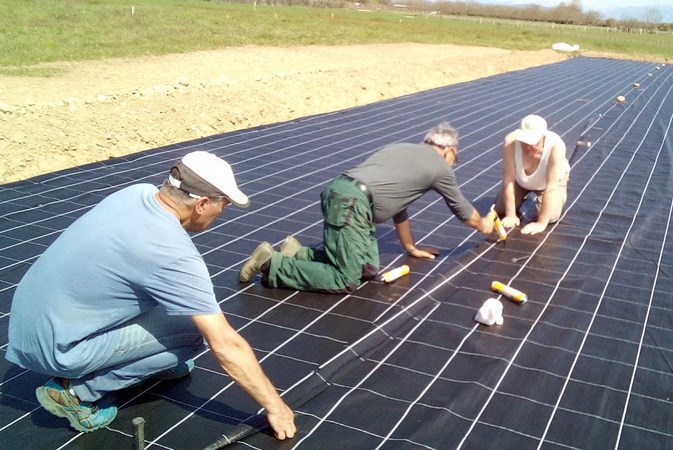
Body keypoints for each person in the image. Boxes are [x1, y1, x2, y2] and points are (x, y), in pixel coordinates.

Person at [6, 151, 296, 439]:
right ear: (203, 203)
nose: (223, 211)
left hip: (28, 323)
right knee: (193, 331)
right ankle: (75, 392)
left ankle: (147, 360)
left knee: (170, 301)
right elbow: (225, 345)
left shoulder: (136, 193)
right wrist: (275, 406)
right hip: (56, 349)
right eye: (225, 204)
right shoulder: (172, 254)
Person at [238, 122, 494, 293]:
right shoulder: (439, 166)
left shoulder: (402, 148)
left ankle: (298, 253)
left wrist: (410, 248)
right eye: (455, 159)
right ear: (450, 150)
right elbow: (462, 209)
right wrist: (484, 225)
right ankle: (272, 264)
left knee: (368, 269)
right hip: (352, 203)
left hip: (344, 194)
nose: (453, 165)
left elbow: (399, 208)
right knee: (346, 280)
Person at [493, 114, 570, 236]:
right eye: (524, 140)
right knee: (501, 208)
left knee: (550, 217)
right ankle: (521, 195)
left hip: (547, 184)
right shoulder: (511, 142)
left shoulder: (556, 146)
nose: (528, 146)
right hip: (521, 181)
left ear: (543, 138)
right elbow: (508, 179)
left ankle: (560, 196)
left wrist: (541, 223)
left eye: (533, 142)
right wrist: (511, 215)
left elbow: (551, 187)